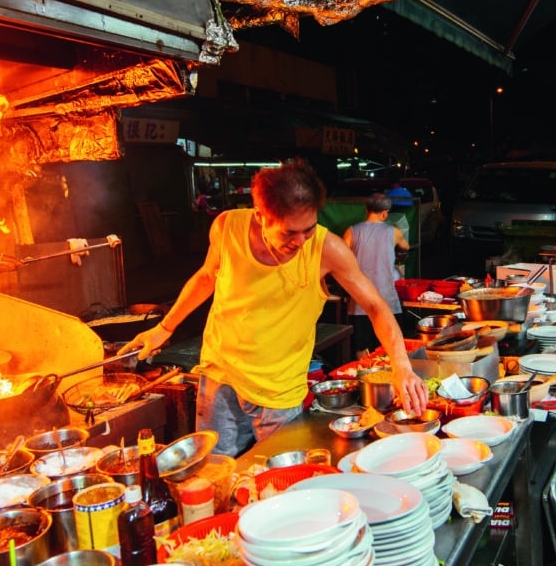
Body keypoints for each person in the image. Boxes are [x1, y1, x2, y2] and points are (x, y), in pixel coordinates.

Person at [122, 160, 427, 455]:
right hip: (220, 374)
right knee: (217, 469)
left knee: (280, 476)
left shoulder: (327, 248)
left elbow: (375, 305)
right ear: (260, 215)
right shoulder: (227, 227)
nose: (300, 241)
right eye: (288, 232)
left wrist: (401, 366)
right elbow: (205, 278)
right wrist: (163, 329)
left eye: (308, 229)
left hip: (279, 391)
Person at [342, 192, 409, 355]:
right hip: (386, 299)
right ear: (385, 213)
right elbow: (405, 247)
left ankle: (363, 376)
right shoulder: (394, 232)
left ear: (366, 210)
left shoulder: (351, 232)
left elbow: (342, 259)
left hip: (360, 300)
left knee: (361, 349)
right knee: (389, 347)